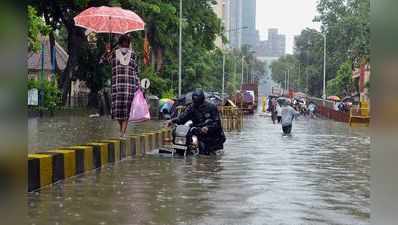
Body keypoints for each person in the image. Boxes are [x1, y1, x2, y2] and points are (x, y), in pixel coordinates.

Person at [166, 89, 226, 155]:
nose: (197, 104)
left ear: (202, 100)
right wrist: (172, 121)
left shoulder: (211, 107)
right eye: (195, 102)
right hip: (198, 131)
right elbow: (182, 118)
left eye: (198, 102)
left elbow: (216, 122)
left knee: (206, 154)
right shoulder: (192, 107)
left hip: (213, 136)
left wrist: (207, 128)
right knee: (188, 140)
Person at [103, 35, 140, 138]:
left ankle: (122, 132)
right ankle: (122, 132)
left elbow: (103, 61)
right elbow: (136, 71)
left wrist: (107, 51)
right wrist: (138, 85)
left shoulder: (113, 54)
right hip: (129, 88)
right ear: (128, 44)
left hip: (117, 88)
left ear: (119, 43)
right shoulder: (133, 55)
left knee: (118, 111)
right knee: (126, 111)